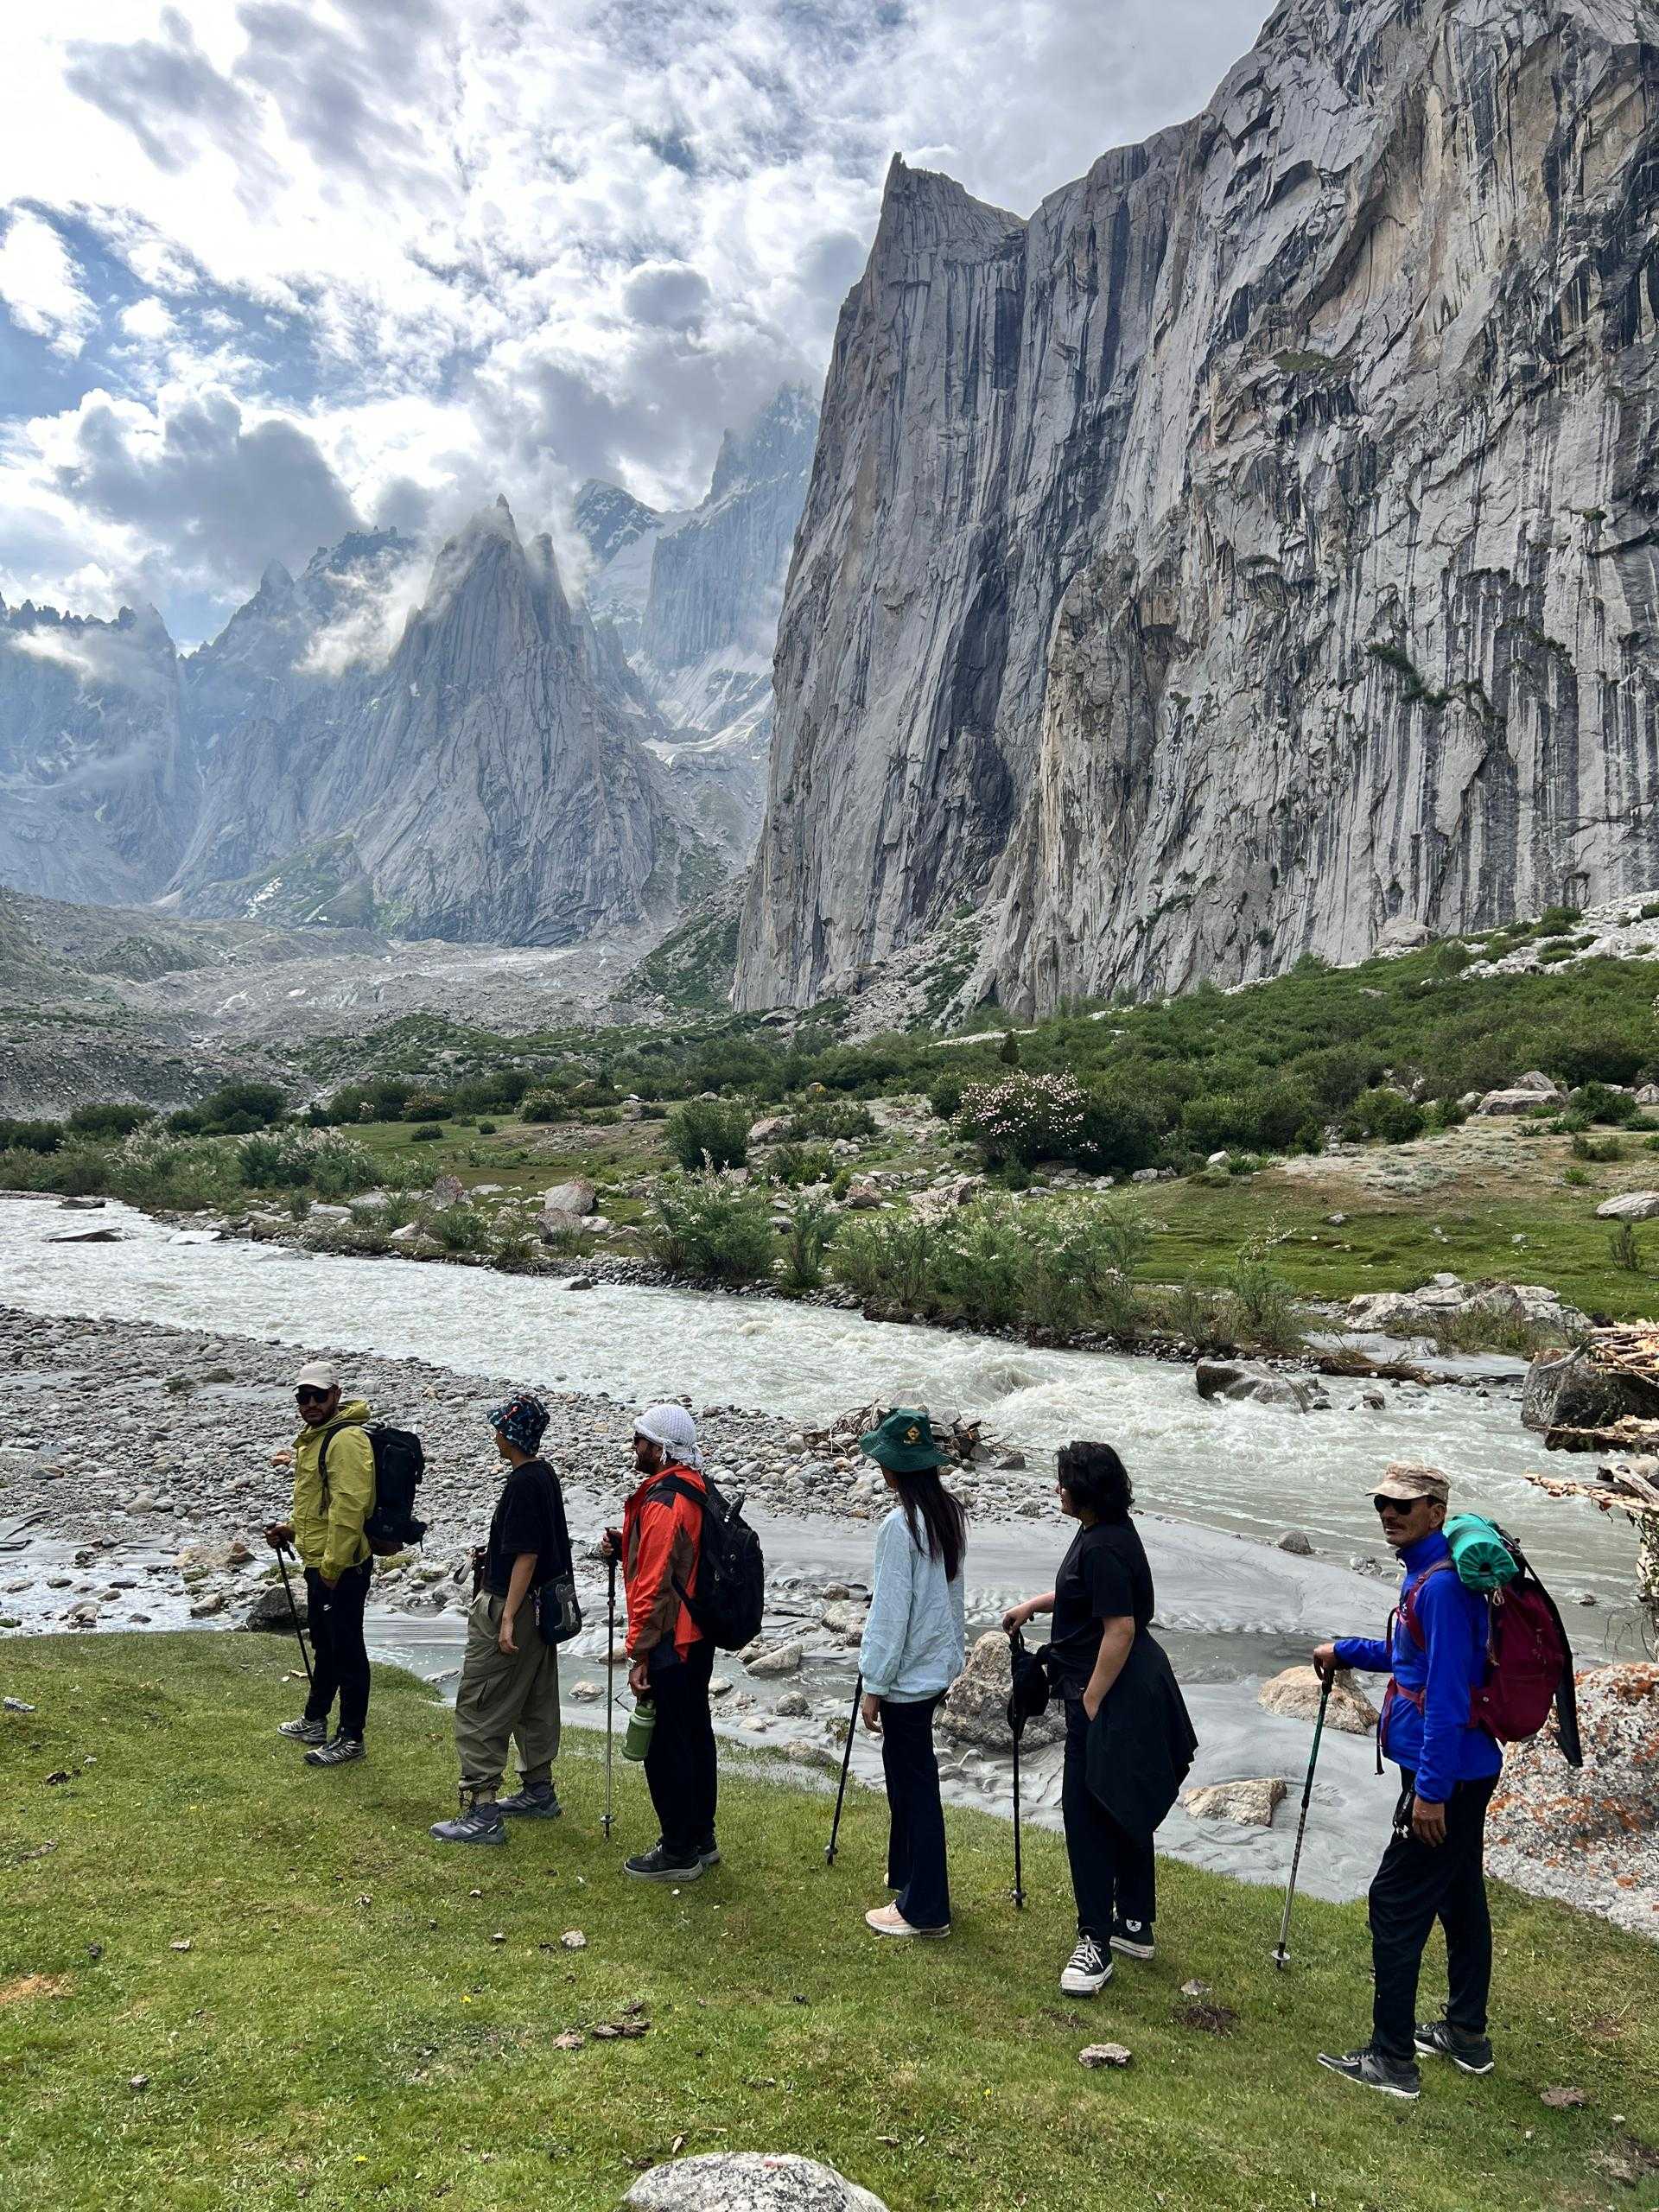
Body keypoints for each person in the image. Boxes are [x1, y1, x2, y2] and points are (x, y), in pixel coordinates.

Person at [1313, 1462, 1503, 2101]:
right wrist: (1346, 1649)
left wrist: (1430, 1793)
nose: (1389, 1514)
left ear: (1436, 1512)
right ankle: (1466, 2034)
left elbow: (1448, 1697)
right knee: (1459, 1896)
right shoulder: (1424, 1573)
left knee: (1394, 1902)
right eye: (1382, 1504)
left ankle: (1392, 2059)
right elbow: (1411, 1659)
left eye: (1403, 1505)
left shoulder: (1441, 1587)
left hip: (1444, 1774)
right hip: (1460, 1769)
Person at [1002, 1440, 1194, 1998]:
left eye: (1065, 1481)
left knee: (1086, 1813)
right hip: (1129, 1688)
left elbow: (1121, 1628)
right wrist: (1035, 1606)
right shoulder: (1104, 1531)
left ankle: (1094, 1943)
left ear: (1086, 1491)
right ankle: (1133, 1922)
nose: (1057, 1489)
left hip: (1112, 1694)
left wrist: (1089, 1700)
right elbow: (1087, 1596)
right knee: (1120, 1801)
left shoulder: (1104, 1545)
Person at [430, 1392, 569, 1846]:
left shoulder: (523, 1483)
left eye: (500, 1428)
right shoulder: (544, 1475)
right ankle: (538, 1790)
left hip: (513, 1606)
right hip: (541, 1611)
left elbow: (527, 1554)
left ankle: (482, 1810)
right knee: (533, 1699)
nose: (495, 1435)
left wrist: (506, 1616)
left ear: (511, 1435)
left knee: (481, 1701)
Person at [855, 1408, 968, 1940]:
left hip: (905, 1676)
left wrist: (874, 1683)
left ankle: (925, 1908)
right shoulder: (946, 1514)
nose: (880, 1467)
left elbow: (889, 1611)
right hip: (931, 1669)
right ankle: (905, 1873)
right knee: (906, 1774)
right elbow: (952, 1599)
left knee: (915, 1783)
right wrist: (951, 1660)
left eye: (885, 1459)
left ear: (897, 1467)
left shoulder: (899, 1526)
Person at [608, 1402, 717, 1883]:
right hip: (698, 1635)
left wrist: (640, 1653)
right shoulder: (695, 1488)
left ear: (661, 1449)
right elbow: (678, 1561)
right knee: (694, 1733)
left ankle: (677, 1852)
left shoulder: (664, 1502)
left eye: (641, 1440)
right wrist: (625, 1544)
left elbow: (653, 1585)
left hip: (673, 1640)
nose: (635, 1447)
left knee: (665, 1744)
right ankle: (701, 1838)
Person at [264, 1361, 375, 1767]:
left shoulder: (345, 1440)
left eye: (319, 1395)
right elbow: (320, 1505)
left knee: (347, 1650)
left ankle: (351, 1738)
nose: (310, 1403)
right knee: (326, 1646)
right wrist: (291, 1529)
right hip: (321, 1561)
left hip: (341, 1567)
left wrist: (332, 1567)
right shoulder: (317, 1438)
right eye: (303, 1396)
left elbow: (349, 1509)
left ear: (336, 1395)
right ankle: (315, 1720)